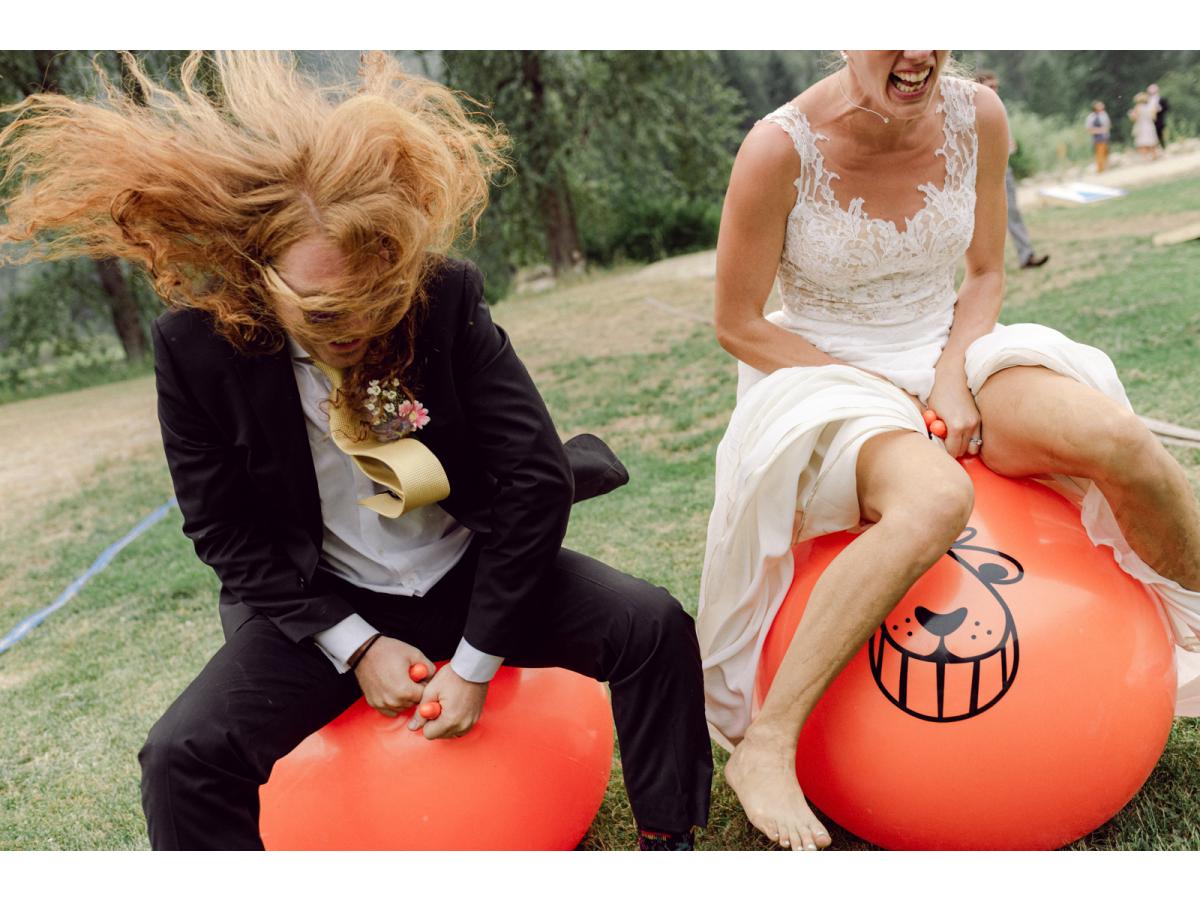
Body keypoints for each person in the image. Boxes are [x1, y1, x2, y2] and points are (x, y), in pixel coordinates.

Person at [0, 51, 712, 851]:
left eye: (370, 298)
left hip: (464, 567)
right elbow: (225, 536)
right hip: (327, 596)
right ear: (258, 271)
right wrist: (357, 646)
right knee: (181, 755)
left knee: (652, 623)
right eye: (321, 306)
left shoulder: (443, 298)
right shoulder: (194, 352)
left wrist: (476, 662)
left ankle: (668, 842)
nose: (352, 325)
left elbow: (536, 479)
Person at [699, 49, 1200, 851]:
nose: (918, 53)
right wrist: (881, 391)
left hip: (948, 348)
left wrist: (950, 381)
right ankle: (767, 747)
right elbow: (740, 324)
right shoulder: (777, 147)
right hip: (823, 373)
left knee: (1119, 438)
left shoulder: (980, 116)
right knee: (935, 500)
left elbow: (987, 273)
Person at [975, 69, 1048, 269]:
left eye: (996, 87)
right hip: (977, 173)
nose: (995, 91)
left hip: (1002, 169)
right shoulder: (970, 110)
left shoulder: (998, 107)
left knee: (1012, 212)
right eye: (991, 87)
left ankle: (1026, 255)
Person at [1130, 91, 1161, 160]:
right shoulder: (1150, 107)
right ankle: (1154, 156)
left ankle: (1145, 157)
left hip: (1141, 126)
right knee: (1152, 141)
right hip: (1150, 125)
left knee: (1142, 143)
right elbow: (1154, 117)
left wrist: (1131, 114)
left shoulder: (1138, 107)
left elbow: (1135, 118)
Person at [1086, 100, 1111, 173]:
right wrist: (1099, 130)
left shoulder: (1104, 115)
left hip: (1104, 136)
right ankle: (1100, 168)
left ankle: (1106, 167)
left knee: (1106, 152)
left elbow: (1107, 126)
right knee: (1099, 153)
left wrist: (1102, 130)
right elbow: (1089, 129)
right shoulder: (1091, 117)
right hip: (1096, 137)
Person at [1149, 83, 1170, 148]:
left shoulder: (1162, 99)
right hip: (1150, 120)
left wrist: (1159, 109)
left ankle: (1163, 146)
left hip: (1160, 119)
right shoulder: (1148, 100)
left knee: (1161, 133)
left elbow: (1167, 108)